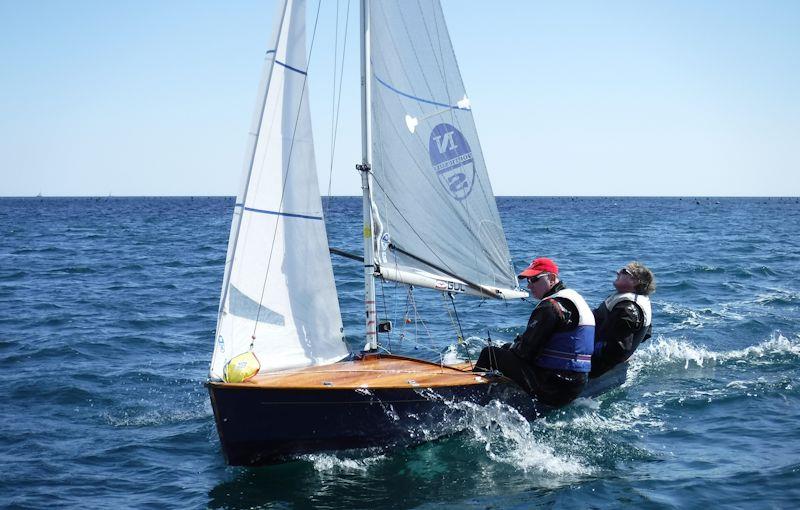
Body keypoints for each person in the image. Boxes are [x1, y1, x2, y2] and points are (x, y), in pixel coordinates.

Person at [474, 257, 595, 408]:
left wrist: (513, 349)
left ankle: (471, 400)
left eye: (534, 280)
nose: (529, 286)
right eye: (528, 281)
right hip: (576, 383)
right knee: (506, 348)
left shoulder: (550, 306)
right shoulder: (573, 298)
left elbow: (525, 352)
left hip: (553, 385)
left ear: (551, 278)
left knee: (490, 353)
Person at [589, 261, 654, 378]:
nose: (618, 272)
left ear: (635, 281)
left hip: (596, 366)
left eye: (624, 271)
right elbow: (647, 334)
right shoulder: (634, 301)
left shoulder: (627, 309)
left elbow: (619, 349)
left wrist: (593, 349)